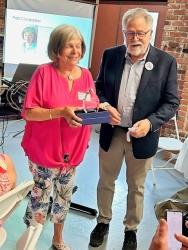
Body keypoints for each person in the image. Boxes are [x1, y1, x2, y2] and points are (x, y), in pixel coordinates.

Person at [89, 8, 179, 250]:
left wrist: (150, 122)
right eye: (130, 33)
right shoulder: (110, 55)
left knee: (136, 186)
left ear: (150, 33)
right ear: (123, 33)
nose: (135, 38)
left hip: (143, 136)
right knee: (105, 181)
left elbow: (171, 102)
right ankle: (103, 221)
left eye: (141, 33)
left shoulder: (166, 62)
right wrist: (104, 103)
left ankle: (131, 229)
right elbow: (98, 87)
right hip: (113, 132)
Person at [21, 24, 99, 250]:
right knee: (41, 198)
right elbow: (29, 113)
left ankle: (57, 238)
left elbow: (90, 105)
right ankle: (29, 240)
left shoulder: (85, 75)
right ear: (56, 49)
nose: (76, 51)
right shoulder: (44, 73)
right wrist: (61, 112)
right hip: (44, 150)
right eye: (69, 46)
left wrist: (103, 109)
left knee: (64, 197)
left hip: (71, 153)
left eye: (79, 46)